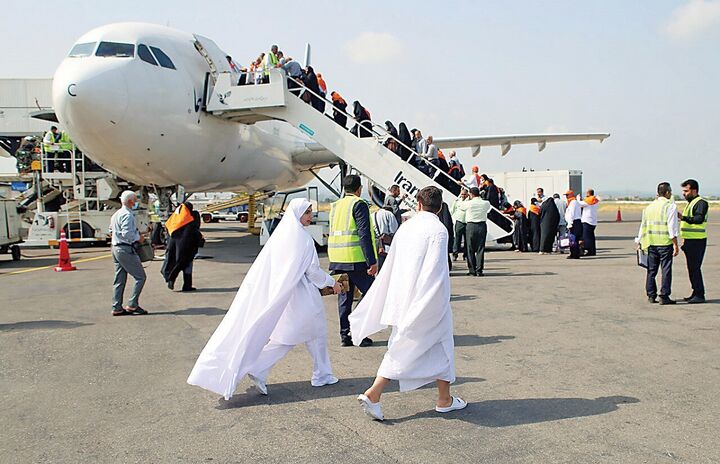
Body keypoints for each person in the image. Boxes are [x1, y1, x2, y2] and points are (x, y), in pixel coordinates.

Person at [187, 199, 344, 399]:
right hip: (302, 296)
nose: (310, 216)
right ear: (297, 214)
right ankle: (265, 368)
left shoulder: (282, 237)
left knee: (306, 334)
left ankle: (321, 373)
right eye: (307, 212)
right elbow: (312, 271)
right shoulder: (303, 239)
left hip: (286, 295)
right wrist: (332, 283)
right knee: (295, 336)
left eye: (310, 211)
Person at [351, 186, 466, 421]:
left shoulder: (406, 227)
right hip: (428, 301)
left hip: (402, 298)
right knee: (409, 347)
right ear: (441, 207)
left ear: (419, 204)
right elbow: (435, 272)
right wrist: (432, 303)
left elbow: (393, 265)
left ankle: (444, 399)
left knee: (431, 346)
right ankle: (374, 393)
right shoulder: (438, 230)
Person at [328, 175, 377, 347]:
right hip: (355, 260)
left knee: (344, 298)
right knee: (372, 294)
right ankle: (358, 332)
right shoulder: (359, 204)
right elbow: (364, 234)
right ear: (359, 189)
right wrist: (372, 261)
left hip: (337, 259)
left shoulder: (335, 206)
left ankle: (345, 335)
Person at [636, 182, 679, 305]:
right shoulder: (670, 206)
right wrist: (675, 244)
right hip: (665, 243)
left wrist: (639, 241)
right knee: (666, 269)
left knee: (651, 270)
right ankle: (664, 295)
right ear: (667, 193)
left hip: (651, 243)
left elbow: (643, 226)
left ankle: (651, 294)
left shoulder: (649, 207)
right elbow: (672, 228)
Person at [109, 191, 148, 316]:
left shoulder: (116, 214)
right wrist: (139, 237)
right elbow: (128, 234)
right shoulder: (128, 215)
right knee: (140, 277)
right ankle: (132, 304)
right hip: (125, 249)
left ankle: (117, 306)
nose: (136, 202)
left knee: (119, 278)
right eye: (135, 200)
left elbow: (111, 230)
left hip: (115, 248)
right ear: (131, 201)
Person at [678, 179, 709, 304]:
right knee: (691, 268)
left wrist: (682, 217)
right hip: (690, 240)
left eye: (686, 191)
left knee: (695, 268)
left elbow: (698, 219)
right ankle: (695, 292)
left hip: (697, 241)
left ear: (694, 190)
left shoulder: (701, 203)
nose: (684, 193)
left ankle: (700, 294)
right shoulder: (691, 203)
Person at [165, 203, 204, 291]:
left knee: (177, 263)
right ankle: (186, 285)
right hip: (188, 247)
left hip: (175, 247)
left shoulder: (175, 219)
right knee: (187, 264)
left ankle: (172, 279)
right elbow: (195, 230)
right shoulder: (191, 218)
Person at [456, 187, 491, 276]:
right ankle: (479, 270)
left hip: (471, 226)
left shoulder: (469, 203)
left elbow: (460, 206)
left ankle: (472, 270)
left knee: (470, 248)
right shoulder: (486, 203)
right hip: (482, 225)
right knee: (480, 248)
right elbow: (488, 209)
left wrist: (461, 197)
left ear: (471, 194)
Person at [373, 206, 398, 271]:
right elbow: (394, 229)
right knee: (386, 267)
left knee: (377, 266)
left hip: (375, 243)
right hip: (386, 244)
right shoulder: (389, 214)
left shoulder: (372, 215)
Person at [578, 189, 600, 256]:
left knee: (586, 237)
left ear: (588, 194)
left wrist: (578, 199)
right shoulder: (595, 200)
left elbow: (579, 204)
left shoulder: (588, 201)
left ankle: (589, 250)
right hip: (593, 221)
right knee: (591, 237)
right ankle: (593, 251)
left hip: (587, 221)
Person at [564, 190, 583, 259]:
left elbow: (571, 214)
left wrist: (570, 224)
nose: (566, 197)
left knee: (573, 239)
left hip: (574, 222)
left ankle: (574, 254)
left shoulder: (573, 202)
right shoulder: (574, 202)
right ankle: (574, 253)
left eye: (567, 195)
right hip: (575, 222)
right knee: (574, 239)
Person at [451, 189, 468, 260]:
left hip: (467, 222)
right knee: (457, 239)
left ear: (467, 194)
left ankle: (466, 255)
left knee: (467, 240)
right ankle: (455, 254)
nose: (463, 196)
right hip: (459, 222)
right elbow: (452, 210)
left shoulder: (469, 202)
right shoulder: (457, 201)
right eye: (462, 194)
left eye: (464, 194)